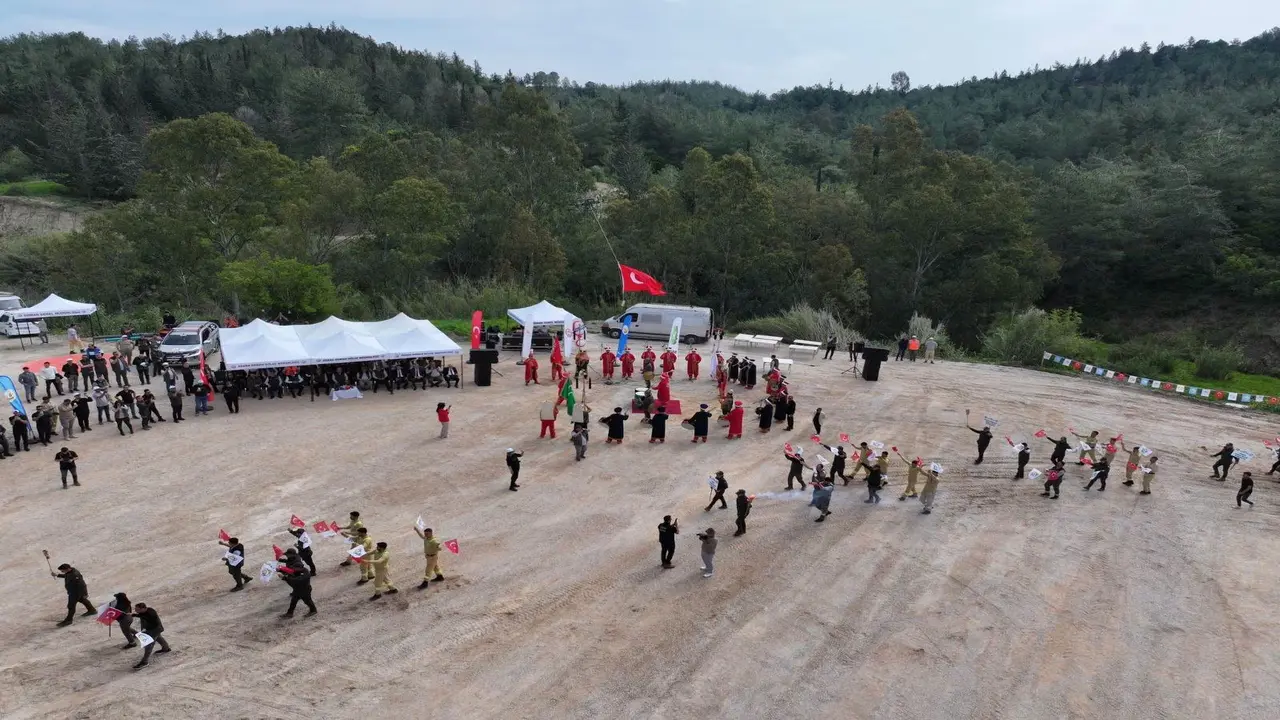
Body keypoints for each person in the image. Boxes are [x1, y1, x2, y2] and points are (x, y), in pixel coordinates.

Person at [130, 602, 172, 669]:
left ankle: (144, 662)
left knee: (149, 646)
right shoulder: (146, 611)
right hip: (155, 630)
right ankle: (166, 648)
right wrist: (133, 615)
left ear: (143, 608)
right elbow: (142, 615)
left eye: (137, 609)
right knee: (159, 637)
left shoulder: (150, 614)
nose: (136, 611)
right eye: (135, 609)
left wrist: (145, 630)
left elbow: (148, 619)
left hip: (154, 630)